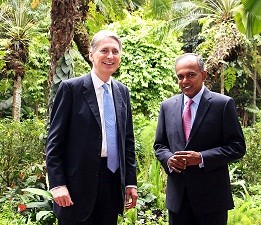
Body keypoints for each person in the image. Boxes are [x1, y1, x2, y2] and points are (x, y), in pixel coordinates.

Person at [46, 30, 138, 225]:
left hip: (112, 184)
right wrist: (57, 185)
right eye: (104, 50)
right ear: (91, 55)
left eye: (115, 51)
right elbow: (54, 142)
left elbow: (127, 141)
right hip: (75, 186)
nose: (110, 56)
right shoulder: (71, 89)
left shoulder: (123, 92)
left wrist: (130, 182)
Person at [154, 53, 246, 225]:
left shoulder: (223, 104)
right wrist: (169, 159)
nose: (184, 81)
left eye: (190, 75)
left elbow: (237, 146)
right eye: (180, 76)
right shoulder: (167, 106)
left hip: (212, 200)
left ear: (203, 75)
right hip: (178, 200)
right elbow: (160, 145)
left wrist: (202, 158)